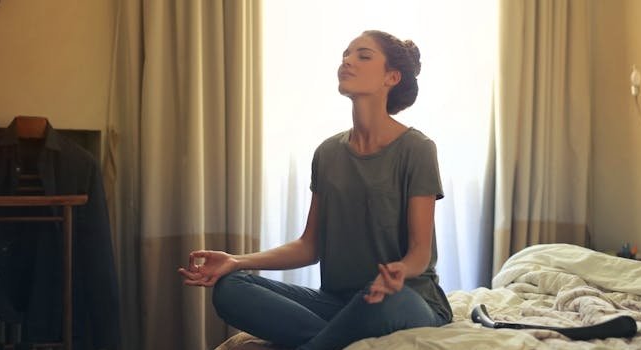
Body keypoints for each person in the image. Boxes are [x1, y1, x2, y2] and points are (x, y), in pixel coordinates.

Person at [178, 29, 452, 350]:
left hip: (404, 298)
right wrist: (236, 261)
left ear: (391, 77)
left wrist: (400, 269)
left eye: (363, 56)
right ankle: (331, 339)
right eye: (345, 55)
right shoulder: (328, 153)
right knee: (231, 287)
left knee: (381, 302)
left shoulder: (417, 148)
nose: (348, 61)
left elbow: (420, 252)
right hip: (337, 303)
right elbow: (310, 246)